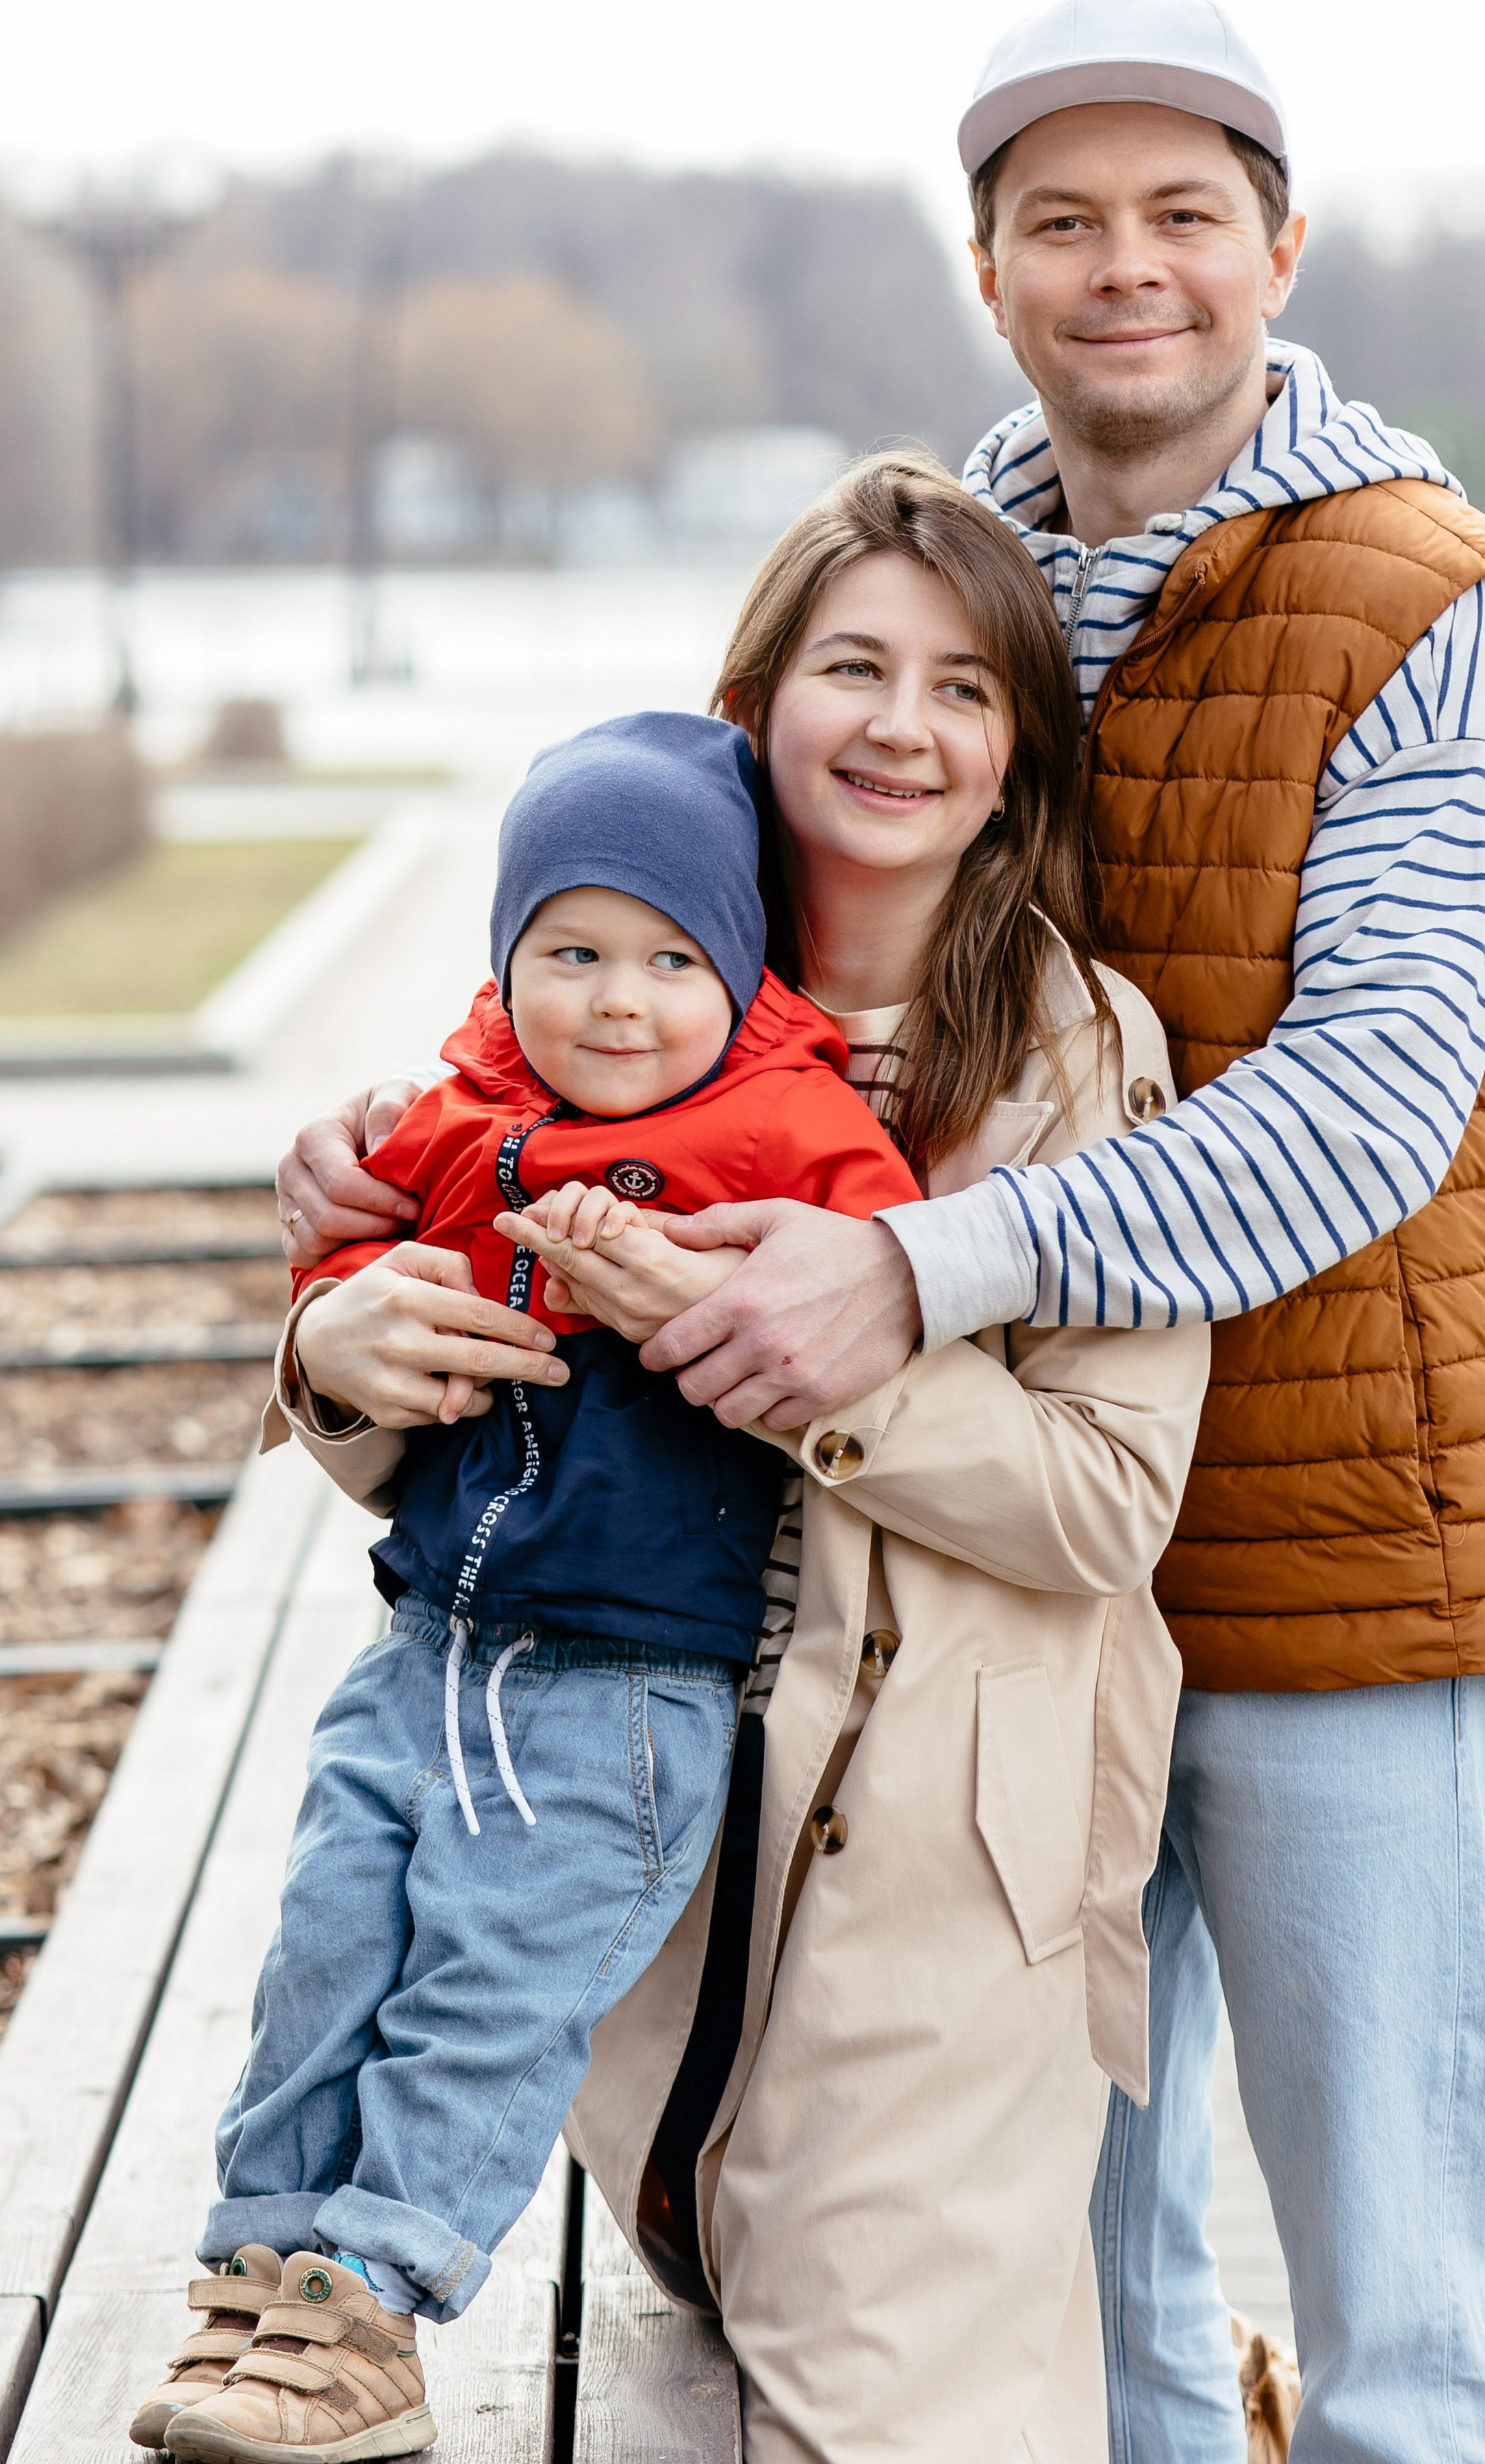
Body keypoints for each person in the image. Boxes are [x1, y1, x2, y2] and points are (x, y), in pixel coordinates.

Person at [279, 6, 1485, 2456]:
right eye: (1063, 223)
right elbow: (666, 991)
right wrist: (388, 1187)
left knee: (1408, 2330)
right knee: (1069, 2324)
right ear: (989, 269)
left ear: (1283, 249)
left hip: (1336, 1566)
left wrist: (904, 1279)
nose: (1129, 270)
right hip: (989, 1636)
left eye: (1184, 214)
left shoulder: (1434, 607)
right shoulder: (950, 583)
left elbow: (1364, 1113)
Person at [264, 455, 1210, 2461]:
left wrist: (814, 1358)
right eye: (853, 665)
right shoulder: (608, 984)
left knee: (880, 2421)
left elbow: (1106, 1504)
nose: (903, 723)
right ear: (757, 700)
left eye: (966, 688)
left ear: (1019, 750)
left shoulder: (1081, 1054)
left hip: (928, 1890)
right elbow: (473, 1442)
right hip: (627, 1872)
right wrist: (333, 1348)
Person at [132, 712, 922, 2464]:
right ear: (508, 964)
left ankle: (378, 2302)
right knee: (325, 1946)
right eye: (569, 953)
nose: (618, 1003)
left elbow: (881, 1281)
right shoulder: (465, 1107)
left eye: (668, 960)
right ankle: (262, 2275)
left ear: (740, 971)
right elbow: (343, 1229)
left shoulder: (781, 1128)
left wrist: (695, 1283)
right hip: (421, 1644)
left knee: (487, 1988)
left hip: (619, 1684)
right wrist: (332, 1263)